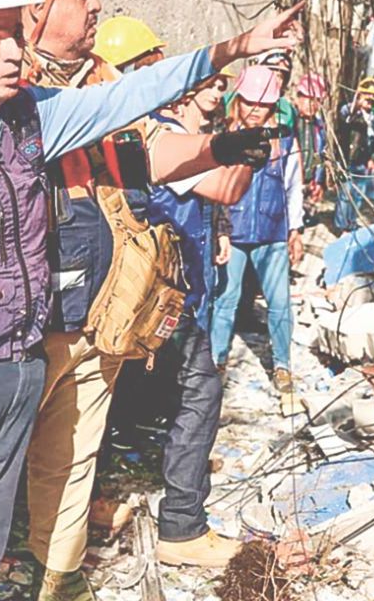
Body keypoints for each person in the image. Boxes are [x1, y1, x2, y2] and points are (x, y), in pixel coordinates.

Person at [0, 0, 301, 601]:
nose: (10, 49)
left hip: (26, 358)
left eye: (12, 32)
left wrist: (233, 51)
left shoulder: (28, 122)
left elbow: (136, 101)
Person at [2, 0, 265, 600]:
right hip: (13, 320)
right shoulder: (0, 84)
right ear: (35, 5)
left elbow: (150, 156)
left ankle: (59, 581)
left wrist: (220, 148)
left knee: (72, 458)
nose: (96, 8)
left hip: (96, 314)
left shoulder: (102, 81)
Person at [145, 75, 253, 569]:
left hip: (180, 288)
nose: (217, 94)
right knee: (200, 392)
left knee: (150, 397)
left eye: (222, 85)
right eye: (209, 85)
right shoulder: (166, 140)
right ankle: (182, 525)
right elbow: (226, 187)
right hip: (167, 295)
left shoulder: (178, 138)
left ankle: (116, 495)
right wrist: (253, 145)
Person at [210, 66, 305, 394]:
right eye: (249, 101)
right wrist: (218, 231)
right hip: (232, 233)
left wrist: (296, 230)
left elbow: (294, 187)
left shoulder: (285, 143)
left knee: (279, 302)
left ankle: (282, 366)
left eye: (263, 104)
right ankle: (216, 362)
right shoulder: (222, 138)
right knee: (226, 299)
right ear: (238, 100)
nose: (255, 109)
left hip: (272, 232)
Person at [334, 81, 374, 233]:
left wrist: (369, 158)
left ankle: (351, 223)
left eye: (373, 99)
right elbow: (344, 114)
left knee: (358, 196)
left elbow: (368, 142)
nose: (370, 102)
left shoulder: (372, 117)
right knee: (345, 195)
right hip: (348, 160)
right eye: (367, 98)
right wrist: (357, 103)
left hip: (362, 161)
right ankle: (342, 226)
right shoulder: (351, 112)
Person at [293, 72, 328, 206]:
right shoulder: (290, 121)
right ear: (298, 98)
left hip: (307, 182)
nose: (312, 104)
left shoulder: (319, 127)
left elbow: (319, 155)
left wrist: (318, 180)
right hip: (289, 181)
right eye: (308, 98)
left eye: (317, 100)